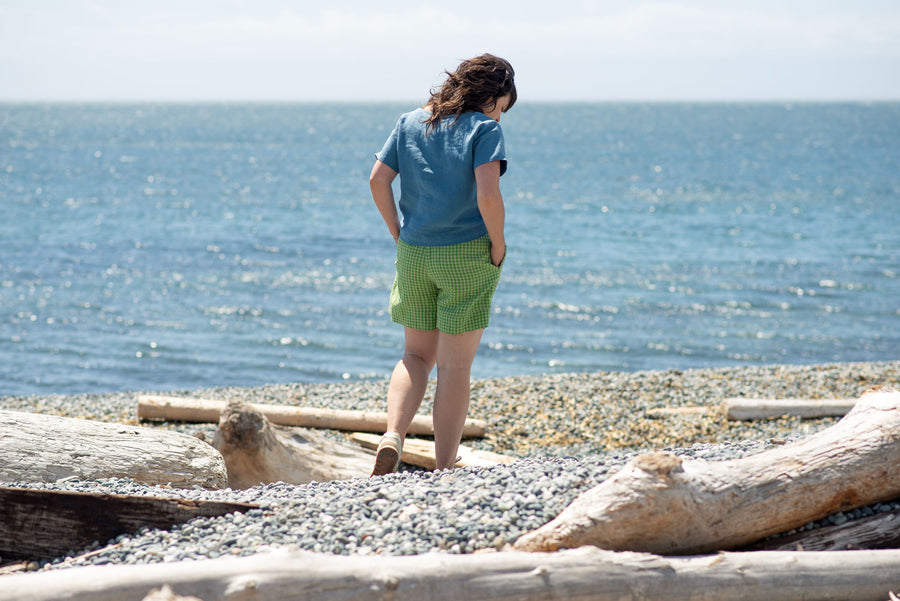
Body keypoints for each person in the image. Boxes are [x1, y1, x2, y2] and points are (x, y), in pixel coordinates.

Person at [368, 53, 517, 475]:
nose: (501, 117)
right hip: (467, 254)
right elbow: (488, 196)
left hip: (414, 252)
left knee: (415, 355)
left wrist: (398, 232)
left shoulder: (410, 122)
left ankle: (392, 436)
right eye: (502, 107)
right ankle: (445, 464)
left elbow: (378, 180)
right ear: (491, 96)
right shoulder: (484, 129)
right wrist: (499, 244)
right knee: (454, 366)